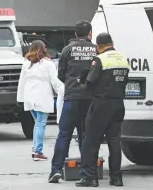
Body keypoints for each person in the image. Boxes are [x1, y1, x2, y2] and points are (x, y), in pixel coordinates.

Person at [75, 33, 130, 187]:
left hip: (101, 104)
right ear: (112, 43)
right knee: (114, 142)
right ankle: (116, 178)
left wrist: (82, 83)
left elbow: (90, 83)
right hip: (118, 104)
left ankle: (89, 178)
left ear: (98, 46)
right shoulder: (122, 59)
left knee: (90, 141)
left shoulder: (100, 59)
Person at [48, 20, 97, 183]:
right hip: (90, 99)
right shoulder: (96, 49)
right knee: (86, 136)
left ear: (75, 34)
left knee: (64, 134)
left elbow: (60, 74)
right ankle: (86, 172)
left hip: (71, 98)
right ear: (90, 33)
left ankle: (56, 169)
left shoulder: (67, 49)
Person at [17, 40, 64, 161]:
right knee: (41, 124)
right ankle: (37, 151)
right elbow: (54, 81)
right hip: (42, 97)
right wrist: (62, 92)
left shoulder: (26, 63)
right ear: (43, 48)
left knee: (37, 124)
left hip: (29, 97)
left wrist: (20, 99)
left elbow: (21, 82)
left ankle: (35, 149)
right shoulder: (48, 64)